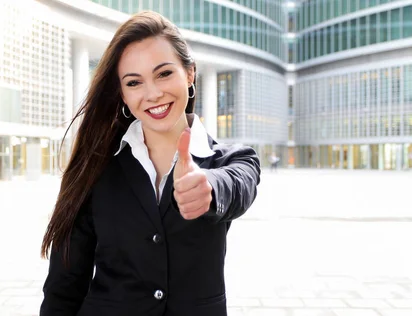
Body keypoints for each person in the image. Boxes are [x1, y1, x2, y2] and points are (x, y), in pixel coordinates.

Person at [39, 11, 261, 316]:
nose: (153, 93)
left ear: (190, 73)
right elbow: (65, 283)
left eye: (164, 73)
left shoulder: (233, 160)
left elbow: (237, 185)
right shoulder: (96, 167)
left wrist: (208, 188)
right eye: (134, 82)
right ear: (122, 94)